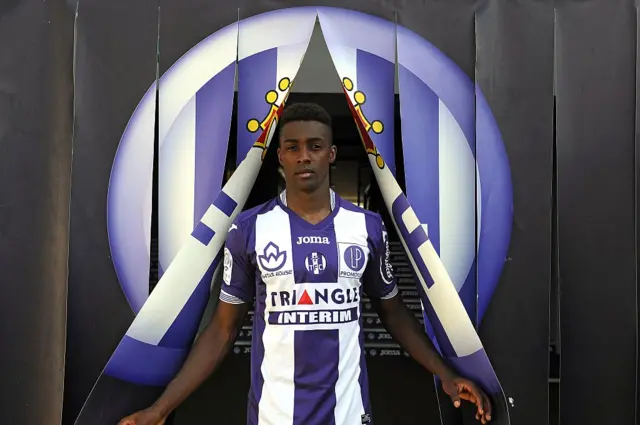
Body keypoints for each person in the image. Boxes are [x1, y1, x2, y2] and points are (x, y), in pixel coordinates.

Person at [118, 102, 492, 425]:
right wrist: (160, 408)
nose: (303, 156)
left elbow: (393, 315)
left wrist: (444, 373)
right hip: (273, 416)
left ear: (331, 153)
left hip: (348, 415)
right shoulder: (249, 230)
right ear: (280, 155)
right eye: (292, 147)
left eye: (314, 147)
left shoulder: (366, 227)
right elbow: (221, 331)